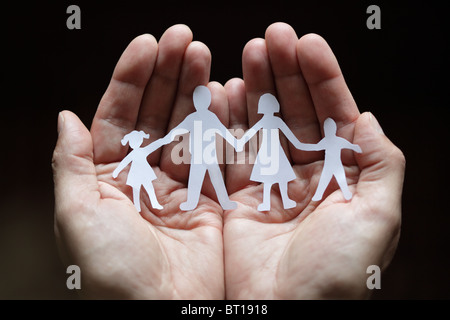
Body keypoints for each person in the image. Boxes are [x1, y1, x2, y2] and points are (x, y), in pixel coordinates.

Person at [52, 23, 405, 299]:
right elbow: (176, 137)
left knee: (226, 184)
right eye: (202, 99)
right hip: (202, 156)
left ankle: (218, 198)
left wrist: (235, 141)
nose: (205, 104)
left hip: (223, 155)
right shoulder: (195, 119)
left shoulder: (259, 120)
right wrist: (232, 141)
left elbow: (273, 138)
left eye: (206, 100)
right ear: (202, 101)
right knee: (201, 184)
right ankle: (203, 198)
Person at [160, 85, 239, 211]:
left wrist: (235, 142)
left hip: (210, 156)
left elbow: (223, 131)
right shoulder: (193, 118)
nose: (200, 103)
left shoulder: (209, 117)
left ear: (208, 101)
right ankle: (192, 202)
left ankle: (224, 203)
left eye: (202, 100)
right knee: (196, 180)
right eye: (198, 100)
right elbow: (178, 130)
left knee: (215, 179)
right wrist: (167, 138)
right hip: (198, 156)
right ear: (195, 102)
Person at [237, 93, 318, 211]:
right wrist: (239, 142)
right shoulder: (270, 121)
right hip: (269, 151)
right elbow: (250, 133)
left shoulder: (274, 121)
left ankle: (282, 200)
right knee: (271, 179)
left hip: (272, 151)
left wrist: (302, 145)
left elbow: (249, 134)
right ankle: (270, 202)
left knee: (279, 178)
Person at [112, 130, 164, 211]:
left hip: (144, 173)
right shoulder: (133, 154)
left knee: (149, 189)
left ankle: (154, 203)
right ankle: (137, 206)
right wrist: (116, 171)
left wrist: (162, 141)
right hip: (135, 174)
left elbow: (153, 146)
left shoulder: (143, 150)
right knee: (136, 190)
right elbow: (124, 162)